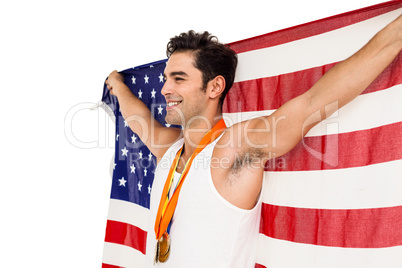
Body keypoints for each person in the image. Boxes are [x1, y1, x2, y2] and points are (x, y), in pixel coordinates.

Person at [105, 14, 402, 267]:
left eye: (178, 78)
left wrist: (396, 33)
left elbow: (312, 103)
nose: (165, 88)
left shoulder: (235, 147)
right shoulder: (169, 149)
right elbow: (138, 117)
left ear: (215, 87)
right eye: (166, 78)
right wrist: (117, 84)